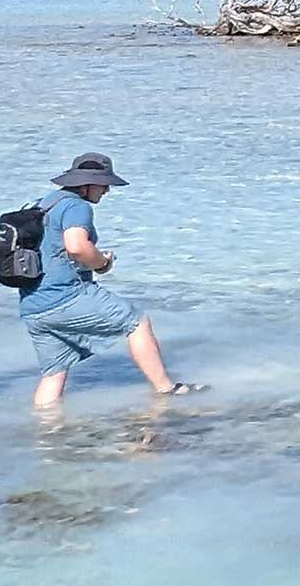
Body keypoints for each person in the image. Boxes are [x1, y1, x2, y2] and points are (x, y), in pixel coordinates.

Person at [20, 153, 194, 410]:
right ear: (87, 184)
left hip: (34, 305)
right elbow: (77, 247)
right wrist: (102, 263)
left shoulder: (40, 204)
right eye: (104, 184)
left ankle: (46, 431)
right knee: (136, 322)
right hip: (65, 297)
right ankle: (166, 392)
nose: (107, 190)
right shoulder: (76, 206)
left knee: (54, 372)